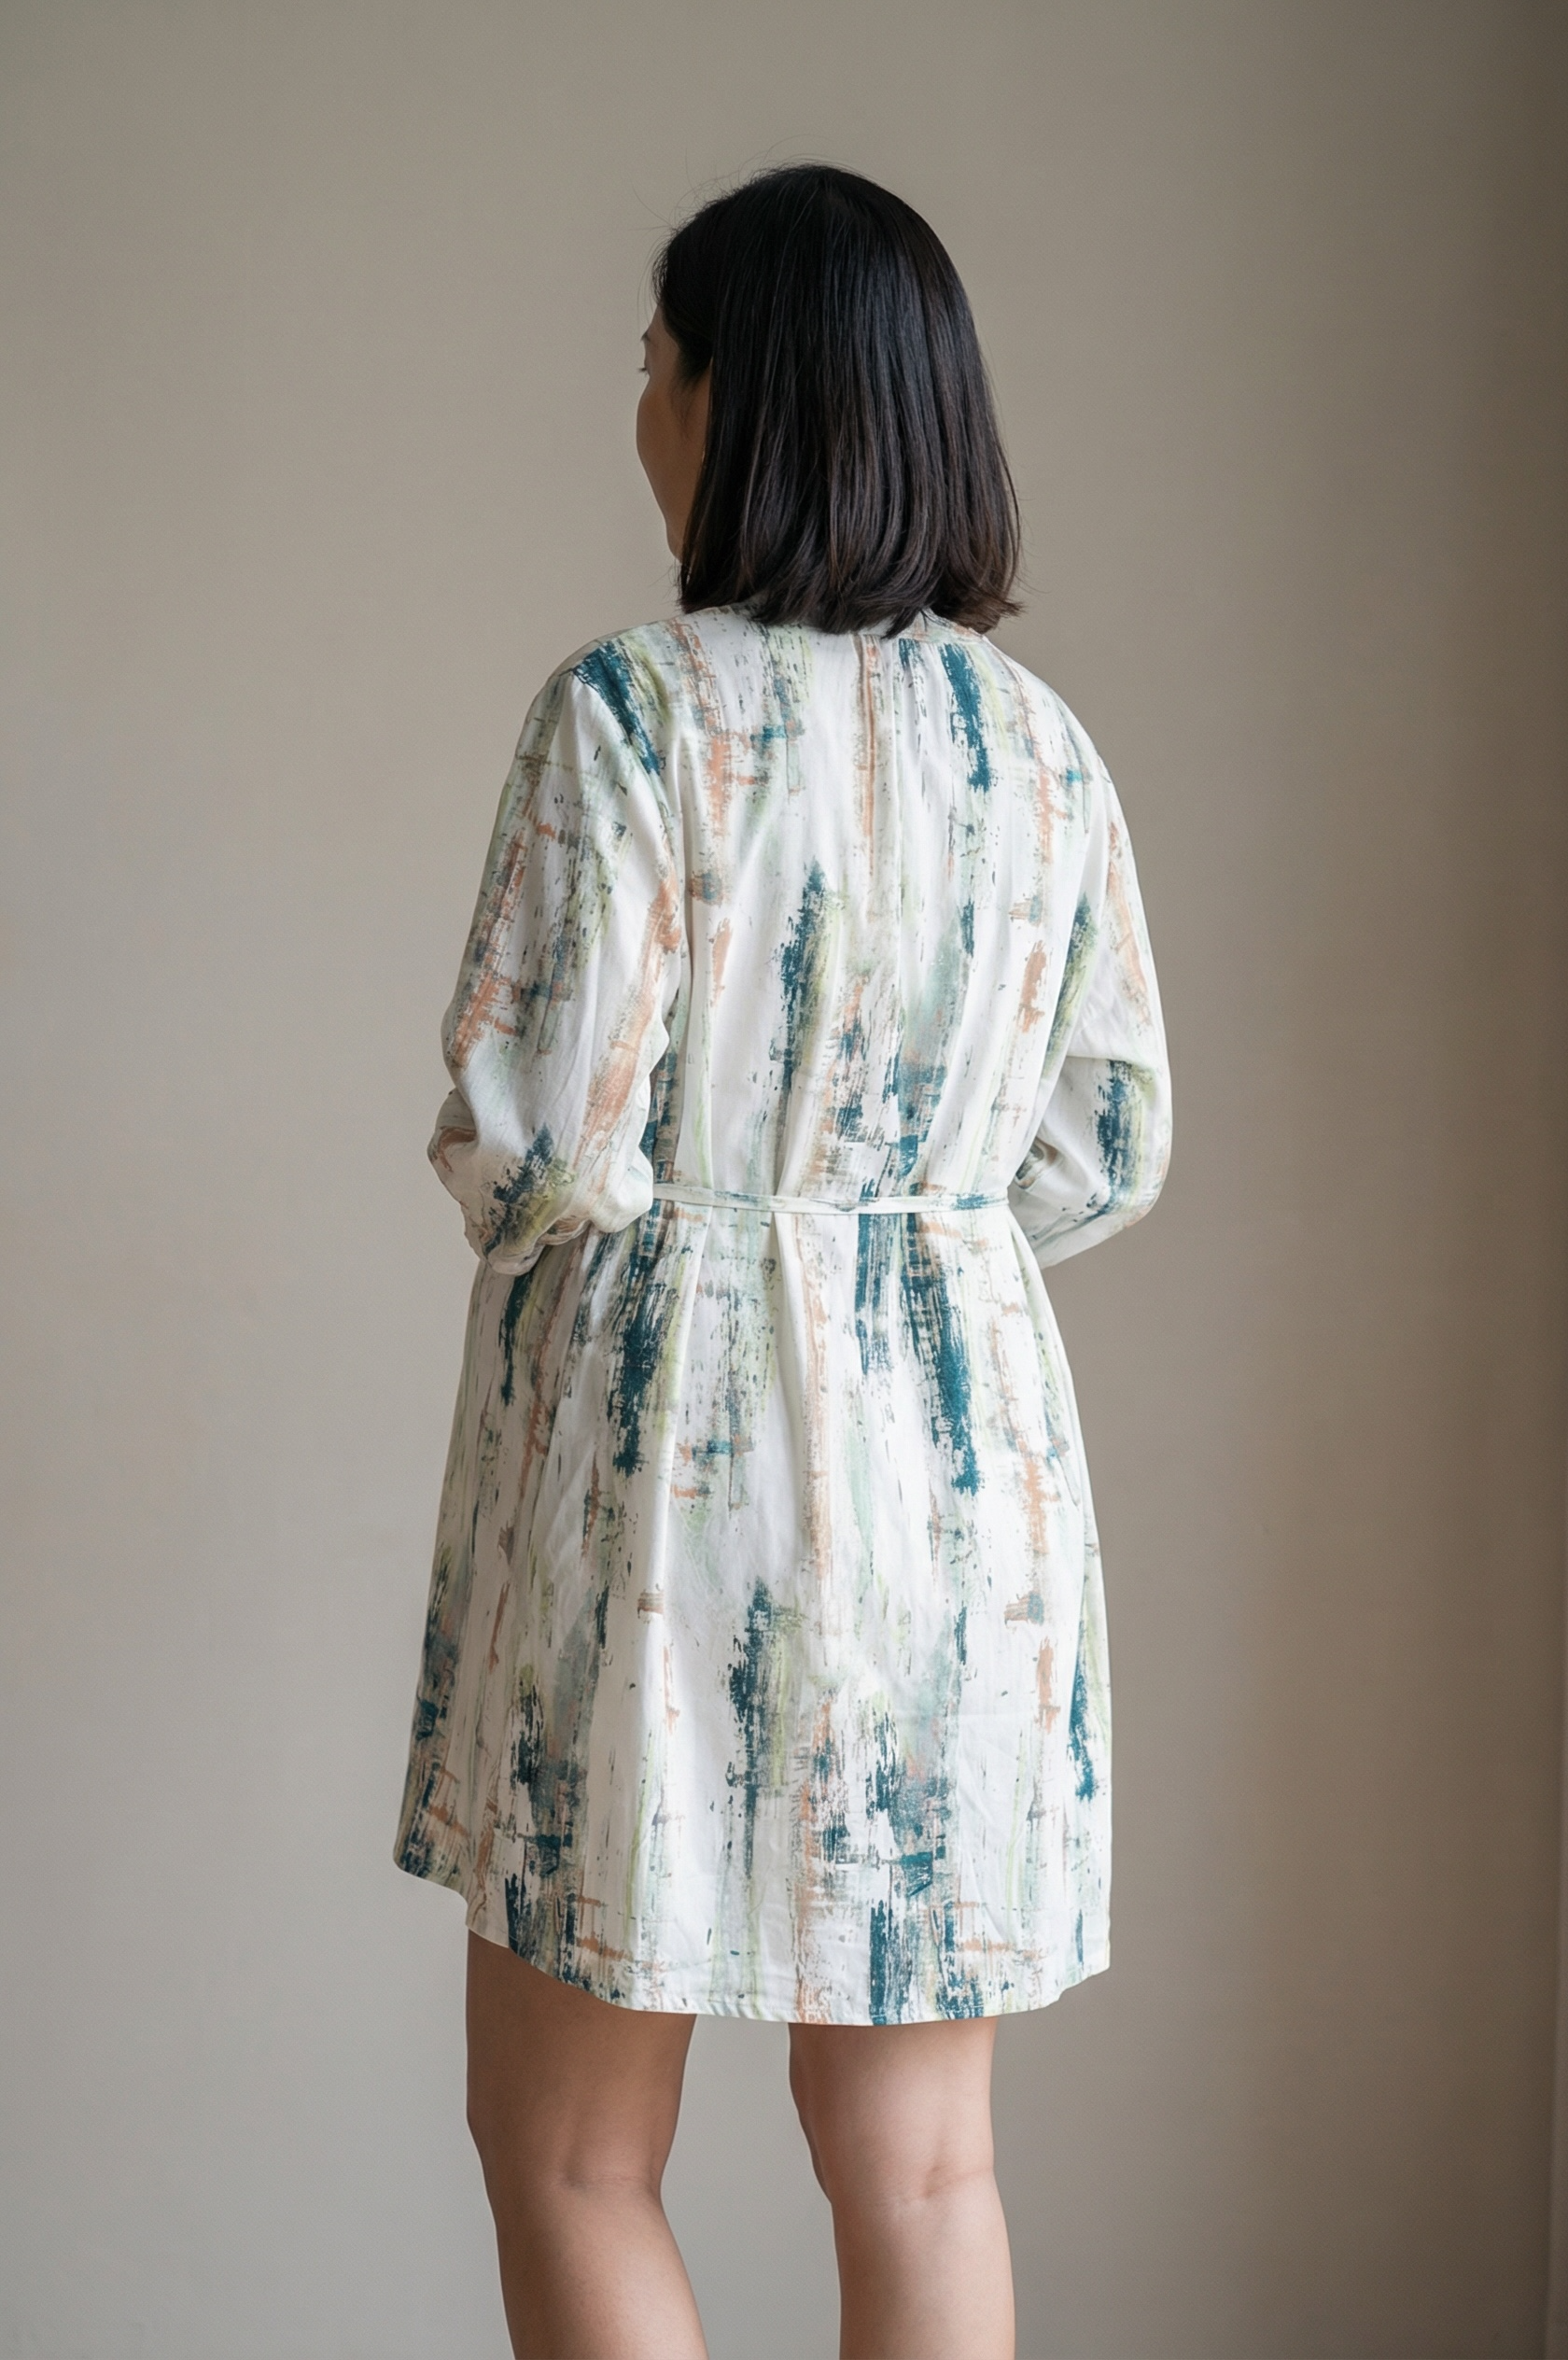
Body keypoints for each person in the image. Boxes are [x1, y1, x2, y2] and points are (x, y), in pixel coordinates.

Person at [394, 162, 1171, 2360]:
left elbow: (537, 1148)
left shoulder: (629, 713)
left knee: (571, 2152)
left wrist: (715, 1228)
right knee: (920, 2167)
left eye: (654, 363)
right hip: (957, 1486)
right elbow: (1101, 1144)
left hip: (667, 1475)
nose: (635, 408)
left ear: (737, 405)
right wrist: (893, 1245)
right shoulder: (1036, 751)